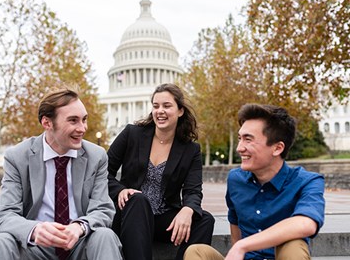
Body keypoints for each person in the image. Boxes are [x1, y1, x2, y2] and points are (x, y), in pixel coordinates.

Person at [0, 87, 122, 260]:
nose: (82, 128)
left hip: (80, 244)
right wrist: (35, 230)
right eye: (73, 121)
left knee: (105, 236)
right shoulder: (17, 157)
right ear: (47, 123)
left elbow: (103, 209)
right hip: (35, 247)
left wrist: (79, 227)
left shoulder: (97, 156)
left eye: (84, 119)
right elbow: (3, 215)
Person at [184, 104, 325, 260]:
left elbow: (306, 224)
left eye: (248, 140)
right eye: (240, 139)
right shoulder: (236, 179)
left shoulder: (307, 181)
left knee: (294, 246)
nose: (239, 148)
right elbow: (235, 225)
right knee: (196, 251)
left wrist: (244, 245)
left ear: (277, 148)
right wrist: (238, 248)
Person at [107, 83, 215, 260]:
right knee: (138, 199)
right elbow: (102, 171)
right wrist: (120, 190)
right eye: (156, 106)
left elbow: (193, 190)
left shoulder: (190, 149)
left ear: (180, 111)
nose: (160, 111)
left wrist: (188, 209)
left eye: (167, 106)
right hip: (129, 215)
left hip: (162, 219)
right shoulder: (132, 134)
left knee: (205, 220)